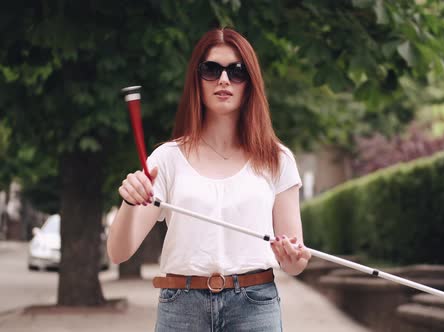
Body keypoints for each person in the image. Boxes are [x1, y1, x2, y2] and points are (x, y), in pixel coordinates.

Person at [107, 27, 311, 331]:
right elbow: (118, 253)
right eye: (211, 70)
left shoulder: (277, 159)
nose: (224, 80)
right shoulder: (166, 159)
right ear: (196, 80)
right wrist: (129, 201)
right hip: (181, 308)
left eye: (237, 71)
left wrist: (293, 256)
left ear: (250, 82)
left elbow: (295, 265)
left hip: (255, 307)